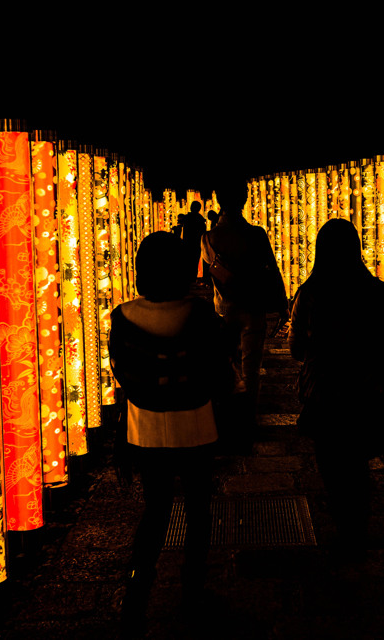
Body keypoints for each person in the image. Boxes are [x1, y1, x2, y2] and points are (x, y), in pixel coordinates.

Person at [110, 231, 233, 636]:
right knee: (198, 513)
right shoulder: (200, 316)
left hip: (145, 430)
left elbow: (122, 376)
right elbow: (219, 372)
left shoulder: (122, 318)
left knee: (155, 511)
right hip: (196, 425)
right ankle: (191, 593)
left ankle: (137, 593)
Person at [289, 218, 384, 565]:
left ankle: (344, 528)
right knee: (358, 463)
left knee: (332, 465)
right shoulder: (376, 291)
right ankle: (357, 530)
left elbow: (296, 349)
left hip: (325, 393)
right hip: (366, 389)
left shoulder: (311, 293)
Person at [201, 184, 288, 450]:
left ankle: (227, 418)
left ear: (218, 200)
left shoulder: (209, 238)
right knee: (251, 368)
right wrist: (283, 304)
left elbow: (205, 278)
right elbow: (271, 270)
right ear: (245, 199)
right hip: (253, 307)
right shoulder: (256, 234)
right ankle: (248, 419)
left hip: (224, 309)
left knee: (226, 365)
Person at [178, 200, 207, 277]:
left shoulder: (187, 218)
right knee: (194, 262)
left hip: (187, 244)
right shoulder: (200, 220)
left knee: (187, 262)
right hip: (196, 244)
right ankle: (193, 278)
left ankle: (188, 278)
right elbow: (203, 232)